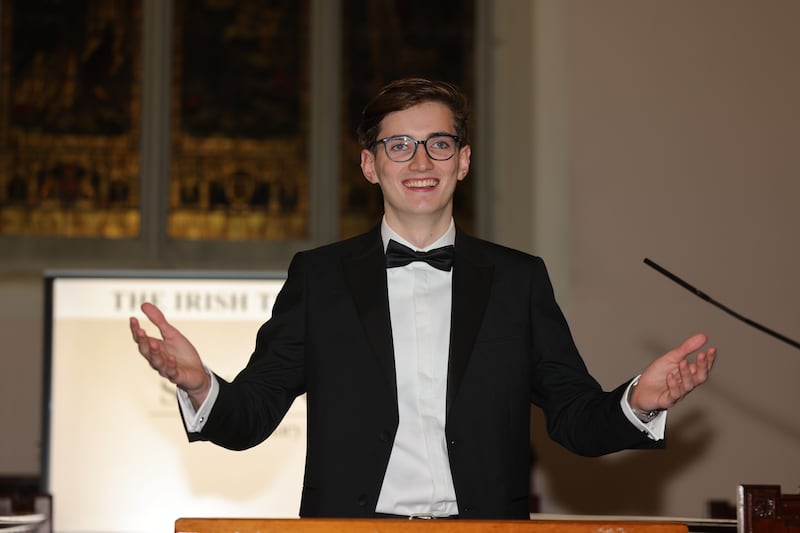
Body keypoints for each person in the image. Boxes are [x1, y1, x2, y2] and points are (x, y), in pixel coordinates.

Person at [130, 78, 716, 520]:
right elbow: (251, 417)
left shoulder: (519, 280)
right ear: (369, 164)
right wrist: (201, 384)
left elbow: (575, 419)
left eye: (438, 143)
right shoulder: (320, 277)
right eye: (399, 145)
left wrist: (638, 400)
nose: (419, 161)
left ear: (463, 161)